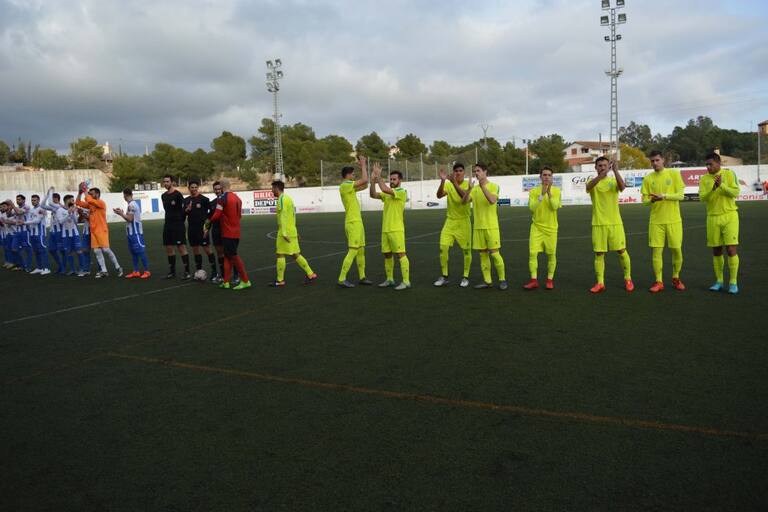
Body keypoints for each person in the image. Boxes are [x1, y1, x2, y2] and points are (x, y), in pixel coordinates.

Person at [586, 157, 634, 293]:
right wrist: (600, 177)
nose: (602, 167)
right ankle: (600, 283)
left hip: (615, 223)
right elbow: (588, 187)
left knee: (621, 251)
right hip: (598, 223)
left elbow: (622, 187)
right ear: (596, 168)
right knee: (599, 253)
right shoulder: (592, 182)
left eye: (605, 165)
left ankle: (628, 279)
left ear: (609, 167)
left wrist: (616, 171)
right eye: (600, 165)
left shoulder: (613, 181)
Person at [641, 151, 686, 292]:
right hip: (656, 221)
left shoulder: (674, 174)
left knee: (676, 250)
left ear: (663, 160)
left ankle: (676, 277)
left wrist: (664, 196)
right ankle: (658, 281)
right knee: (656, 251)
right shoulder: (648, 178)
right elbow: (644, 201)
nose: (655, 163)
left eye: (657, 160)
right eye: (652, 161)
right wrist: (652, 200)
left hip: (674, 220)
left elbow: (681, 195)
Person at [699, 152, 740, 294]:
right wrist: (713, 189)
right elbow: (702, 198)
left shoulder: (729, 174)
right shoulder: (704, 179)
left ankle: (733, 282)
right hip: (712, 217)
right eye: (706, 164)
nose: (708, 167)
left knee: (731, 249)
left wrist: (721, 186)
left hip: (730, 216)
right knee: (716, 250)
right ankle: (719, 281)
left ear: (718, 163)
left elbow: (735, 192)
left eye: (710, 164)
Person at [462, 163, 507, 290]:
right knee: (483, 255)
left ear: (485, 172)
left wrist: (483, 187)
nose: (476, 173)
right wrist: (469, 189)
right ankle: (487, 281)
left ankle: (502, 280)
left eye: (478, 171)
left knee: (495, 254)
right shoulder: (474, 189)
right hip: (478, 227)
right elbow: (464, 202)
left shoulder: (494, 186)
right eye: (475, 171)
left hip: (491, 227)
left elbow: (492, 200)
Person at [369, 163, 410, 290]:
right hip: (385, 229)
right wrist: (372, 181)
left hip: (396, 229)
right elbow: (373, 194)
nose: (392, 181)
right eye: (390, 179)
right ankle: (390, 279)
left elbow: (384, 188)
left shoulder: (401, 192)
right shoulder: (387, 193)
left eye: (394, 179)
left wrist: (378, 176)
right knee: (387, 255)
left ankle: (406, 281)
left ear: (400, 180)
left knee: (401, 254)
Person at [270, 180, 317, 287]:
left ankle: (280, 280)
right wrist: (295, 231)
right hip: (292, 231)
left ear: (277, 188)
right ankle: (311, 274)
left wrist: (284, 233)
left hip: (285, 232)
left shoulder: (282, 199)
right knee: (295, 254)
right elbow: (293, 215)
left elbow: (283, 216)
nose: (272, 191)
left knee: (280, 254)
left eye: (272, 188)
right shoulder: (288, 198)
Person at [206, 180, 251, 290]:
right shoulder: (237, 198)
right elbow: (239, 216)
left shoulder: (222, 198)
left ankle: (245, 280)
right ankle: (226, 282)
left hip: (227, 232)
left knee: (234, 256)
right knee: (227, 256)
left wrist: (208, 222)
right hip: (236, 231)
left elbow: (217, 215)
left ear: (221, 187)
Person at [434, 163, 472, 288]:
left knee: (466, 250)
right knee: (443, 247)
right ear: (453, 172)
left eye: (460, 170)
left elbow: (464, 198)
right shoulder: (449, 184)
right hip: (450, 221)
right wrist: (442, 181)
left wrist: (454, 183)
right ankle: (444, 276)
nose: (458, 173)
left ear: (464, 172)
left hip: (464, 221)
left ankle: (465, 277)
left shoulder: (469, 185)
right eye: (456, 171)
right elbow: (439, 195)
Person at [524, 167, 561, 290]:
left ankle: (549, 280)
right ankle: (533, 280)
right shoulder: (534, 191)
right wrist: (541, 195)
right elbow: (532, 208)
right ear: (540, 177)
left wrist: (549, 193)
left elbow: (554, 207)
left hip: (551, 229)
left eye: (549, 175)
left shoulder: (556, 191)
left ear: (552, 177)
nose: (546, 177)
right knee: (532, 253)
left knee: (551, 255)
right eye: (544, 175)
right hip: (536, 227)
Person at [337, 156, 371, 288]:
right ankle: (341, 278)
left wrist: (373, 177)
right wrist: (363, 165)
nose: (354, 176)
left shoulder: (350, 187)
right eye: (352, 174)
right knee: (353, 250)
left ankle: (362, 277)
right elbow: (364, 180)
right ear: (348, 175)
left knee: (361, 251)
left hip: (357, 222)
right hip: (352, 222)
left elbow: (365, 184)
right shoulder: (345, 185)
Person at [76, 184, 122, 278]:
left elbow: (89, 200)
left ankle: (118, 267)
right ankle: (104, 271)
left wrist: (85, 190)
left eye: (92, 193)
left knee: (106, 249)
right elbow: (78, 202)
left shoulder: (101, 203)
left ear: (97, 194)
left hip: (101, 230)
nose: (90, 195)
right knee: (97, 251)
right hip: (93, 231)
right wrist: (80, 193)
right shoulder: (91, 205)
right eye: (89, 193)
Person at [184, 179, 218, 278]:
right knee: (195, 250)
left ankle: (214, 272)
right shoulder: (186, 200)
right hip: (191, 229)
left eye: (195, 187)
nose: (194, 189)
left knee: (207, 249)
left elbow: (211, 213)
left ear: (198, 188)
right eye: (192, 187)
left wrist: (207, 227)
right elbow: (183, 214)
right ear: (189, 188)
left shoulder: (204, 199)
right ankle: (199, 272)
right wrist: (187, 210)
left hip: (202, 229)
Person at [113, 188, 150, 279]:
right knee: (133, 252)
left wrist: (121, 214)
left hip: (136, 233)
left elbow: (130, 219)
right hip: (131, 233)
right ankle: (136, 271)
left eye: (124, 195)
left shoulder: (131, 205)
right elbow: (129, 218)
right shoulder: (131, 204)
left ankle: (147, 271)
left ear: (125, 195)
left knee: (140, 251)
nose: (123, 197)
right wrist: (122, 213)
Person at [161, 174, 190, 279]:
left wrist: (185, 214)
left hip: (178, 225)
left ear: (172, 182)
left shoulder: (178, 195)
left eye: (167, 181)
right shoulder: (163, 196)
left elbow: (183, 210)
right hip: (168, 225)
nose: (165, 183)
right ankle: (172, 272)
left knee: (181, 247)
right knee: (169, 248)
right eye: (164, 181)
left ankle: (187, 272)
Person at [40, 190, 67, 274]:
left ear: (57, 199)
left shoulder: (59, 207)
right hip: (52, 231)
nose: (51, 200)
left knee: (62, 251)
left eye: (52, 198)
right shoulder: (53, 207)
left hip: (59, 231)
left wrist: (50, 192)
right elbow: (42, 205)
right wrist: (47, 195)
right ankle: (61, 266)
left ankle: (63, 267)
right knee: (51, 250)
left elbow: (49, 203)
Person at [24, 194, 51, 275]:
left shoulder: (41, 209)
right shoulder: (31, 210)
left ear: (38, 200)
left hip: (40, 234)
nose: (33, 201)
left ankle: (47, 268)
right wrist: (26, 224)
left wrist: (24, 223)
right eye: (32, 200)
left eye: (35, 200)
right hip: (32, 234)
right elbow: (29, 220)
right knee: (36, 251)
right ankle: (39, 267)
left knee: (43, 251)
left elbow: (37, 221)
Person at [10, 194, 33, 272]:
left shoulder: (27, 207)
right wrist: (10, 207)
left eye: (19, 199)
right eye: (17, 199)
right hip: (17, 231)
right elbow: (9, 214)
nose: (17, 201)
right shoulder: (15, 208)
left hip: (25, 231)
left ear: (24, 200)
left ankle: (28, 266)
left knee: (27, 249)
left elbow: (19, 212)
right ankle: (22, 264)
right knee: (14, 248)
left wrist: (12, 204)